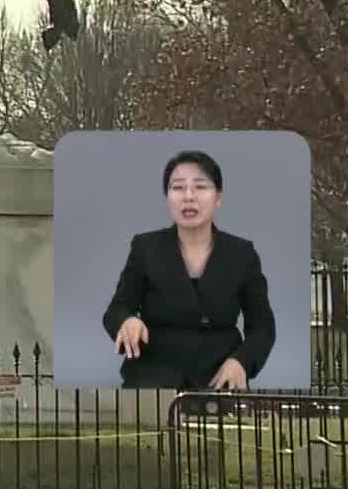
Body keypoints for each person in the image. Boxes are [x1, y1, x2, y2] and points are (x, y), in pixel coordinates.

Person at [102, 150, 277, 391]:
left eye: (200, 187)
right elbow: (116, 309)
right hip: (153, 378)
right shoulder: (146, 247)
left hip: (218, 379)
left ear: (218, 198)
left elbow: (262, 327)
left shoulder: (242, 254)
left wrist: (241, 362)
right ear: (167, 198)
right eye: (177, 187)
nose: (189, 196)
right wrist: (127, 320)